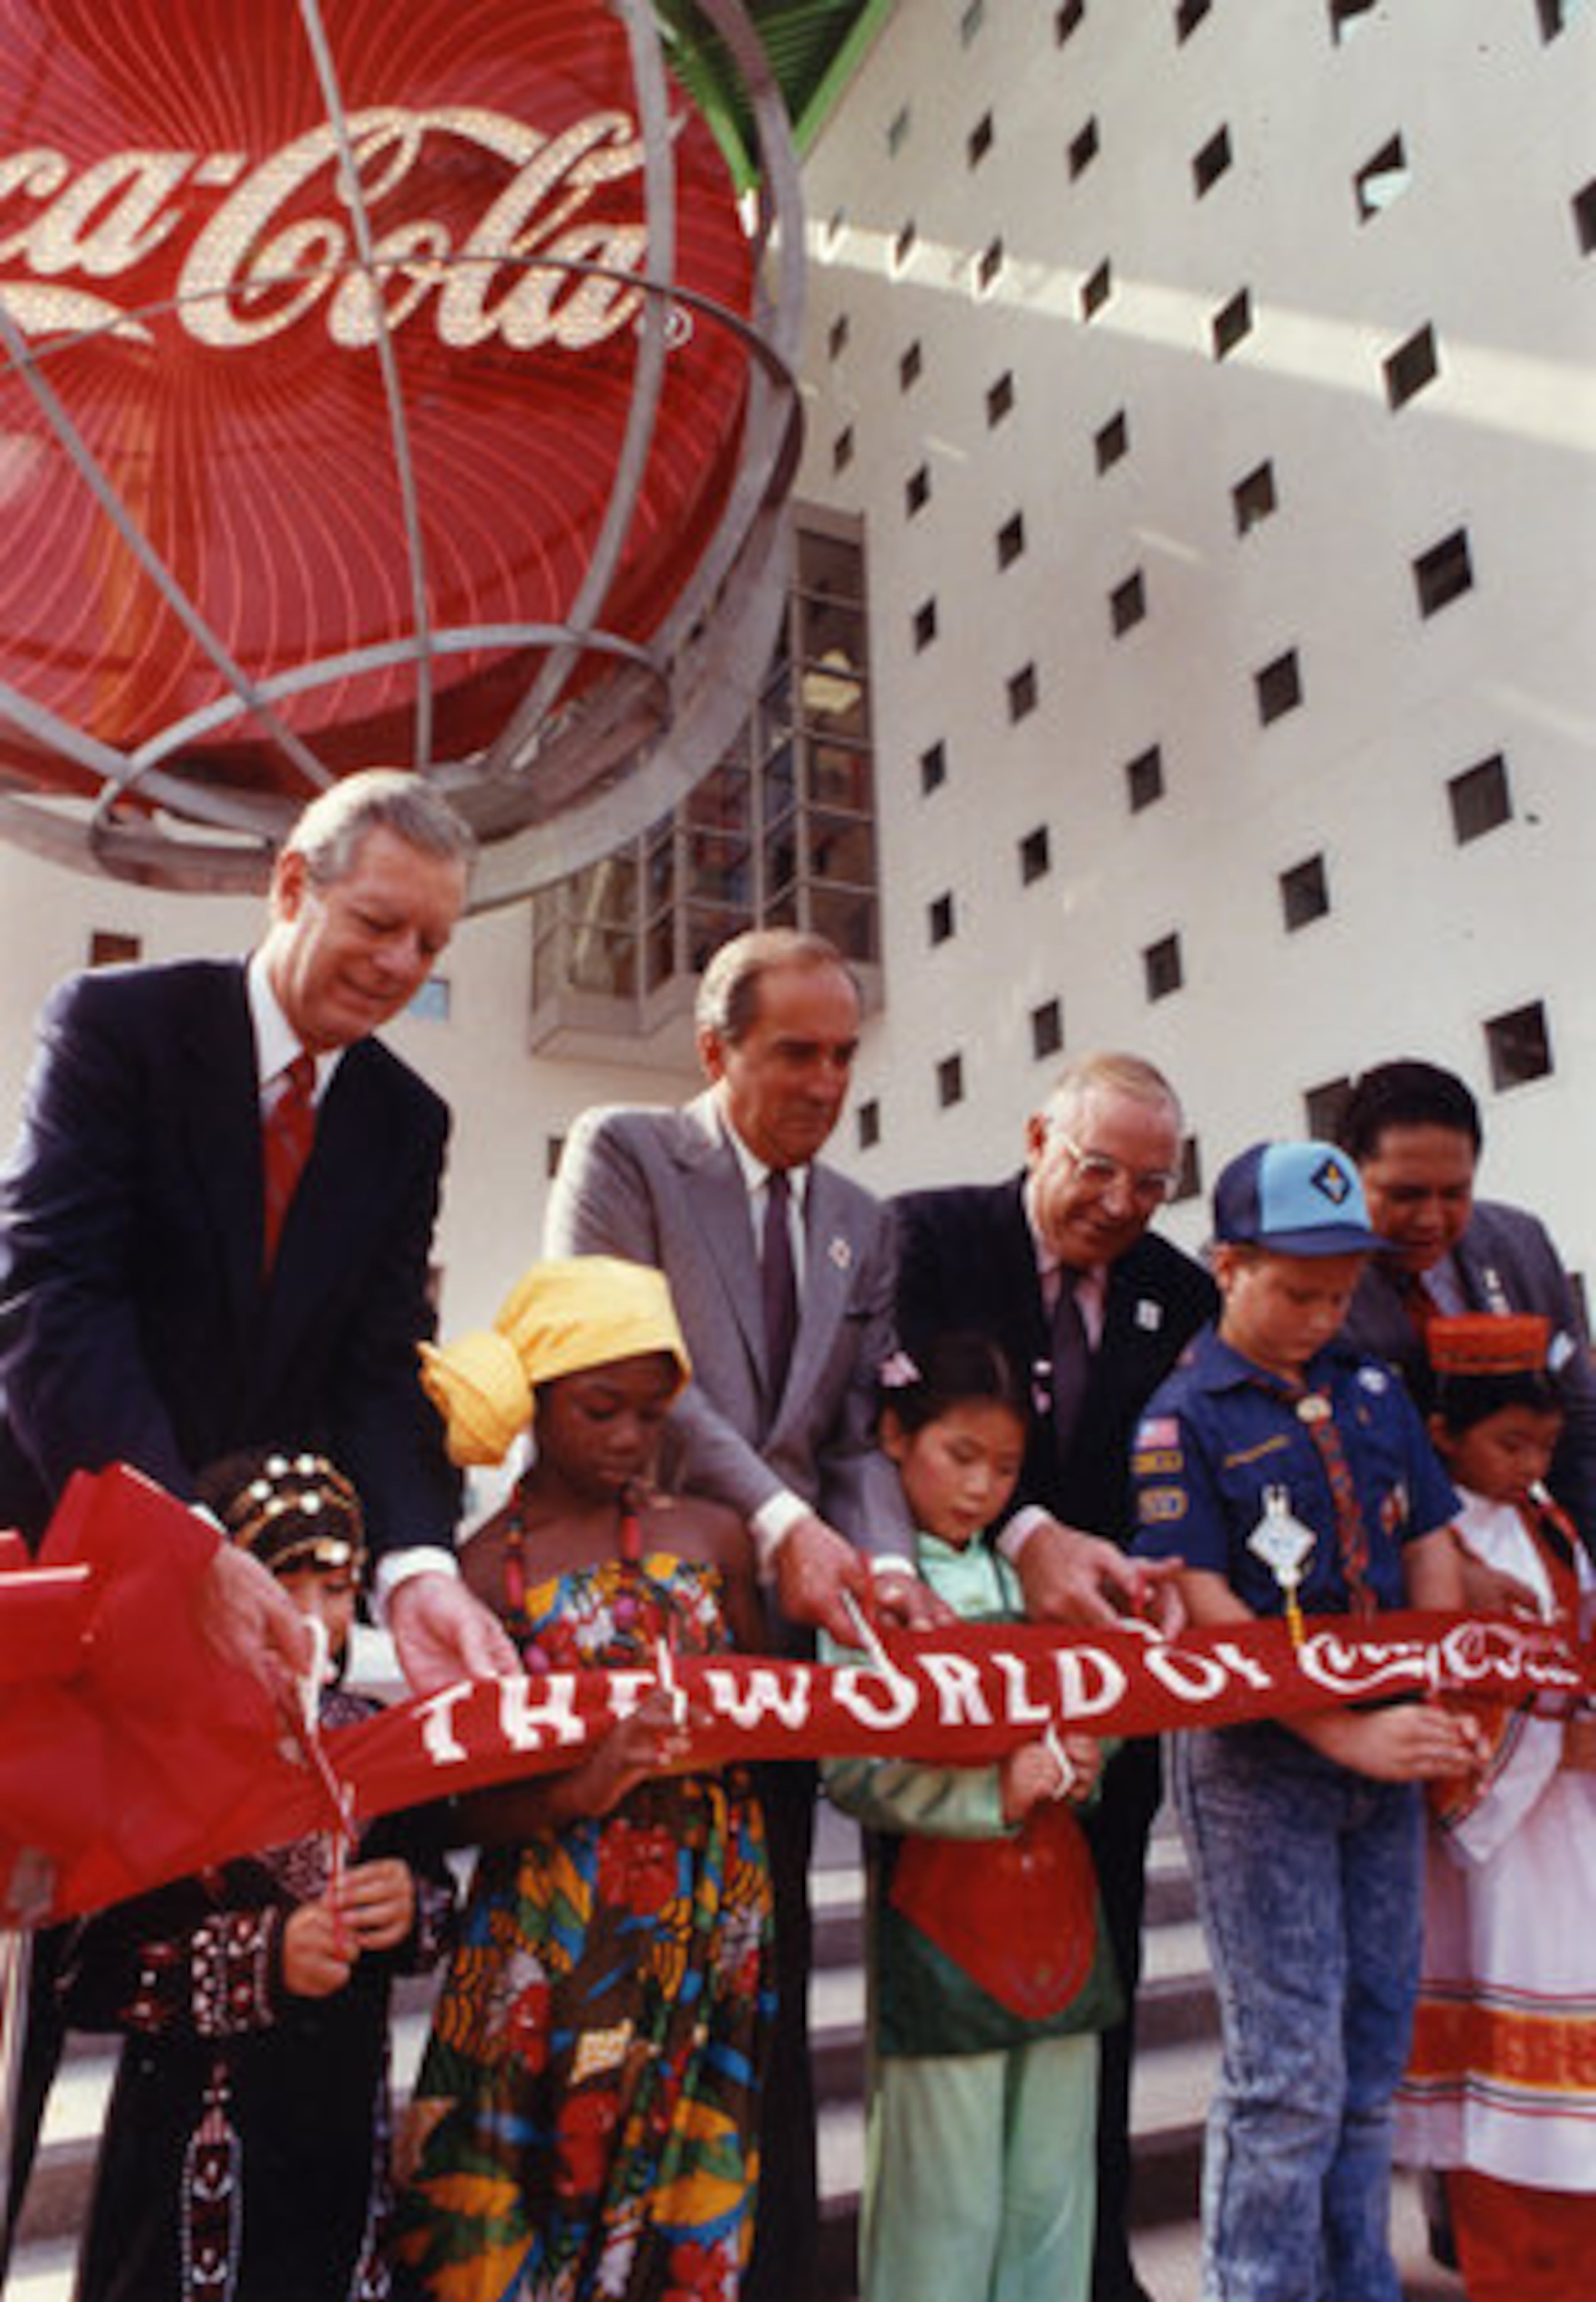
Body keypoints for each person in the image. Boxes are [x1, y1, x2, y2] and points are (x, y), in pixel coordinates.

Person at [0, 767, 515, 2244]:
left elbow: (372, 1373)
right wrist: (186, 1535)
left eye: (432, 947)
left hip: (237, 1650)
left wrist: (418, 1566)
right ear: (290, 884)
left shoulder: (405, 1120)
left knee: (196, 2042)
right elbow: (53, 1296)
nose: (402, 968)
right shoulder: (120, 1030)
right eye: (378, 924)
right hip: (60, 1579)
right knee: (14, 2016)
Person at [542, 927, 925, 2302]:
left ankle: (762, 2273)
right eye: (795, 1052)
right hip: (631, 1634)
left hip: (779, 1661)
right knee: (612, 1975)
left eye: (842, 1053)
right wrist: (786, 1522)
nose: (826, 1080)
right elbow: (636, 1372)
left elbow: (865, 1436)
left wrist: (880, 1561)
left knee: (761, 1980)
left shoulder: (863, 1219)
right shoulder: (627, 1153)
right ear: (717, 1050)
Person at [1131, 1138, 1485, 2302]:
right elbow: (1208, 1605)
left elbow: (1430, 1541)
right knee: (1287, 2069)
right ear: (1227, 1265)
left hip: (1384, 1760)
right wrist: (1347, 1732)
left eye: (1340, 1292)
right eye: (1294, 1290)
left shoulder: (1374, 1388)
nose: (1321, 1315)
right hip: (1261, 1765)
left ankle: (1357, 2283)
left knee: (1373, 2052)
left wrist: (1432, 1707)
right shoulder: (1183, 1417)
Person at [890, 1050, 1216, 2302]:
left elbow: (1173, 1472)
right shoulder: (930, 1239)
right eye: (1095, 1168)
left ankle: (1087, 2257)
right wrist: (1023, 1538)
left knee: (1105, 1970)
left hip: (1102, 1697)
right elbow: (901, 1423)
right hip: (953, 1664)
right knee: (942, 1982)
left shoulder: (1172, 1288)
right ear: (1037, 1136)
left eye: (1150, 1181)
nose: (1121, 1202)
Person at [393, 1255, 773, 2302]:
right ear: (534, 1404)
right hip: (546, 1923)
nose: (627, 1438)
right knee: (520, 2184)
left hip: (707, 1909)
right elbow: (453, 1800)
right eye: (599, 1409)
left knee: (685, 2174)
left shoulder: (714, 1538)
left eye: (651, 1416)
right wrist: (579, 1791)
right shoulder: (476, 1575)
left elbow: (780, 1716)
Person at [57, 1449, 456, 2302]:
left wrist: (409, 1907)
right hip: (195, 2165)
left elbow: (436, 1901)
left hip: (342, 2143)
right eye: (282, 1583)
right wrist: (262, 1955)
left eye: (338, 1587)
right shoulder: (158, 1756)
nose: (311, 1619)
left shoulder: (379, 1746)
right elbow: (87, 1973)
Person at [823, 1333, 1120, 2302]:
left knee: (1050, 2193)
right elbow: (851, 1766)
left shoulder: (1032, 1582)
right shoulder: (870, 1597)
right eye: (960, 1456)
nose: (981, 1489)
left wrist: (1088, 1755)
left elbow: (1106, 1706)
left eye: (1005, 1468)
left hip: (1062, 1923)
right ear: (894, 1436)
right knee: (942, 2206)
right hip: (940, 1927)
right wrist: (985, 1794)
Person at [1395, 1313, 1596, 2302]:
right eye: (1507, 1445)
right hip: (1499, 1845)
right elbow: (1451, 1693)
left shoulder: (1544, 1521)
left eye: (1543, 1448)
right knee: (1510, 2096)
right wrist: (1558, 1741)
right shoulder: (1445, 1545)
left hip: (1568, 1836)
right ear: (1442, 1434)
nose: (1528, 1464)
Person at [1337, 1057, 1596, 1563]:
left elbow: (1581, 1427)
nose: (1431, 1219)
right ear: (1348, 1174)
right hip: (1393, 1566)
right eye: (1406, 1195)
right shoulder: (1301, 1278)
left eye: (1456, 1194)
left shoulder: (1520, 1245)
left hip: (1529, 1548)